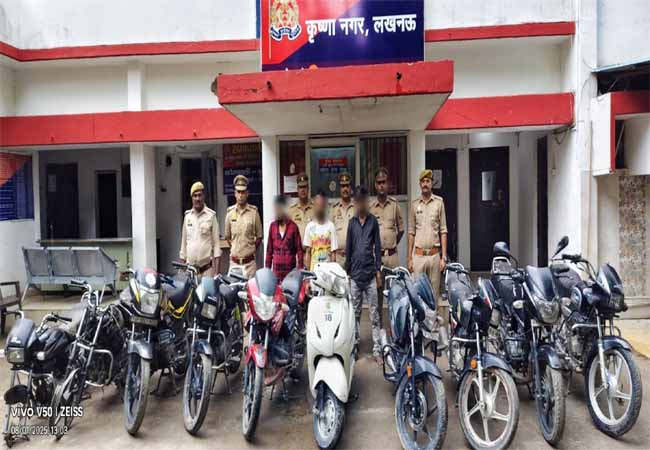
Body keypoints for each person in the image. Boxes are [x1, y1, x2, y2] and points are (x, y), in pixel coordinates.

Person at [345, 186, 382, 365]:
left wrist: (378, 271)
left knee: (375, 314)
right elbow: (348, 248)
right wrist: (348, 272)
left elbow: (378, 247)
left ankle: (377, 349)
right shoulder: (352, 223)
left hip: (370, 275)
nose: (360, 204)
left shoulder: (373, 222)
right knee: (355, 314)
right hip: (355, 275)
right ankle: (354, 347)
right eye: (357, 201)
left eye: (363, 201)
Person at [408, 169, 448, 327]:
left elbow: (443, 230)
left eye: (428, 181)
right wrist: (409, 258)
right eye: (423, 181)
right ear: (420, 184)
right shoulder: (414, 205)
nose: (425, 184)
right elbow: (411, 232)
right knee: (418, 294)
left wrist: (443, 257)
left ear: (432, 183)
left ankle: (433, 329)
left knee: (433, 295)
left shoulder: (439, 203)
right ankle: (419, 329)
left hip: (434, 256)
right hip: (418, 256)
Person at [369, 167, 404, 327]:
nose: (381, 185)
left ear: (387, 184)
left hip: (392, 257)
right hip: (377, 259)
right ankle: (379, 330)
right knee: (377, 296)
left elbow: (401, 229)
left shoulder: (395, 205)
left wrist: (392, 244)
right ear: (375, 185)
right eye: (379, 183)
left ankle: (394, 329)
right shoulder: (371, 208)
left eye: (384, 182)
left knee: (395, 294)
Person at [179, 181, 222, 278]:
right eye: (195, 196)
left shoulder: (211, 216)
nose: (197, 198)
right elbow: (183, 247)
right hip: (190, 271)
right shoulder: (187, 217)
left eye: (199, 195)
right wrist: (181, 273)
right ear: (192, 198)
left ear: (204, 196)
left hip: (206, 271)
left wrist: (217, 273)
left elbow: (216, 246)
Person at [224, 175, 263, 278]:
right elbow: (227, 237)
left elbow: (259, 236)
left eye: (243, 192)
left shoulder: (254, 213)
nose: (240, 195)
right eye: (238, 192)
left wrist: (250, 248)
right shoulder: (229, 213)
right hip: (234, 264)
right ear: (235, 194)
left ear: (247, 193)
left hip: (249, 265)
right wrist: (235, 248)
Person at [265, 194, 304, 282]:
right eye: (275, 209)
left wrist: (300, 271)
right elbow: (269, 251)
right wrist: (267, 272)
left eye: (279, 209)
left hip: (290, 274)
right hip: (276, 274)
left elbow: (299, 251)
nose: (276, 212)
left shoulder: (293, 227)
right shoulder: (272, 227)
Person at [303, 190, 337, 271]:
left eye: (321, 205)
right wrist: (307, 273)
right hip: (313, 273)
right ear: (314, 205)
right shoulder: (309, 227)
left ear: (325, 206)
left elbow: (333, 254)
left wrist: (332, 272)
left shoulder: (331, 226)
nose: (319, 209)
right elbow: (308, 252)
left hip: (327, 273)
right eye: (317, 205)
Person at [288, 172, 314, 267]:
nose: (303, 190)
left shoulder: (315, 209)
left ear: (308, 188)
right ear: (297, 189)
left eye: (305, 187)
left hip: (313, 255)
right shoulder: (291, 211)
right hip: (295, 255)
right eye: (300, 187)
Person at [330, 172, 355, 268]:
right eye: (342, 186)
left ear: (351, 188)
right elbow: (329, 234)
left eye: (347, 186)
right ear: (339, 189)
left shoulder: (357, 208)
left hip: (354, 257)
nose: (345, 189)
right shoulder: (333, 209)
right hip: (338, 258)